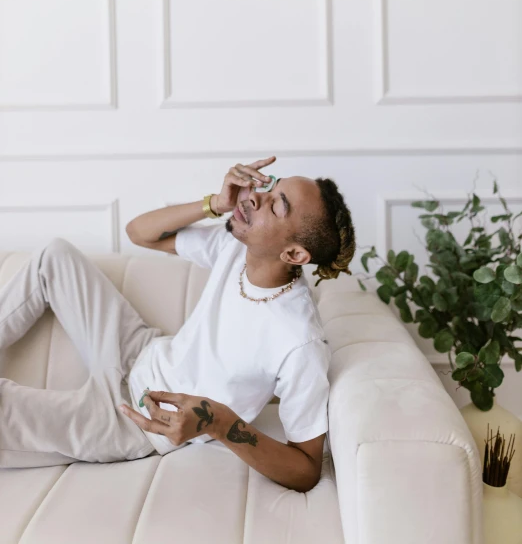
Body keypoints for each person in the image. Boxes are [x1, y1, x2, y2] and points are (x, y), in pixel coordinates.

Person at [0, 155, 356, 492]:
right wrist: (215, 203)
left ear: (294, 254)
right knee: (55, 256)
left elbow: (306, 468)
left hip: (136, 419)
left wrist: (219, 422)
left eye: (276, 205)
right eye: (271, 187)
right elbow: (139, 232)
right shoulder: (234, 248)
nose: (258, 197)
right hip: (137, 349)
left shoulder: (300, 341)